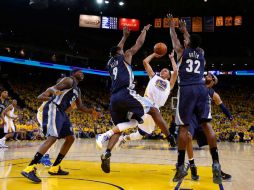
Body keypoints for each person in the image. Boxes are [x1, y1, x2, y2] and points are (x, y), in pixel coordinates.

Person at [96, 25, 176, 173]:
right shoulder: (126, 55)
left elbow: (117, 49)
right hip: (126, 93)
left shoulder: (109, 63)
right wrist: (143, 31)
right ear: (120, 53)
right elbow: (137, 45)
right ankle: (170, 137)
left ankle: (107, 152)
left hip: (114, 98)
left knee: (125, 125)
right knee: (152, 110)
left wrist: (124, 37)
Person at [168, 13, 222, 184]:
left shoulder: (181, 51)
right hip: (201, 89)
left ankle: (179, 167)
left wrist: (172, 26)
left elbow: (174, 39)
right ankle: (216, 164)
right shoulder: (202, 52)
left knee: (184, 128)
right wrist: (186, 31)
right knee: (207, 125)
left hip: (187, 89)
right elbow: (192, 41)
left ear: (188, 43)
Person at [21, 69, 97, 183]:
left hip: (63, 112)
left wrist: (92, 112)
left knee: (70, 138)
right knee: (52, 137)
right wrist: (54, 91)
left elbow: (80, 106)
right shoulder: (69, 80)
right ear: (73, 73)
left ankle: (55, 167)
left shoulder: (77, 89)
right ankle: (29, 168)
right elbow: (51, 88)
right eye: (79, 72)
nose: (82, 73)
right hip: (54, 108)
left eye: (83, 72)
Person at [116, 50, 178, 147]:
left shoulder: (169, 84)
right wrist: (154, 54)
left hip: (155, 108)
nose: (163, 70)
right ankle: (169, 137)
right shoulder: (154, 76)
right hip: (145, 101)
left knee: (140, 135)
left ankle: (124, 138)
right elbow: (145, 62)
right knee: (130, 104)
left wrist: (172, 59)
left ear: (169, 76)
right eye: (162, 69)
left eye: (166, 70)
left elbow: (176, 71)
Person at [184, 74, 233, 181]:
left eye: (210, 76)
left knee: (212, 140)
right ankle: (193, 168)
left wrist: (231, 118)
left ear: (213, 81)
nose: (207, 75)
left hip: (203, 118)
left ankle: (217, 169)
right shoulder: (197, 85)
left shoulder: (213, 94)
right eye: (207, 75)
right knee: (187, 137)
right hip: (192, 117)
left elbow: (223, 107)